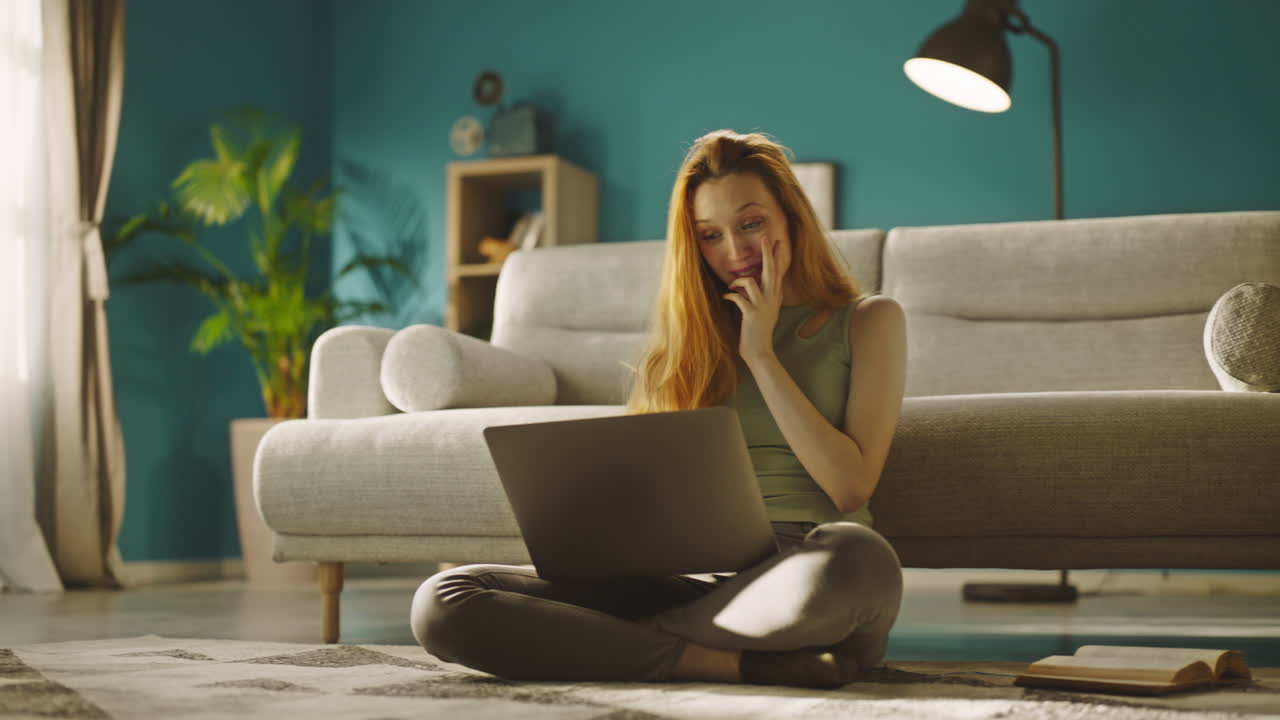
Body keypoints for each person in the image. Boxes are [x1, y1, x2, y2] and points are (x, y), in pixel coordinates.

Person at [410, 129, 908, 688]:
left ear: (791, 217)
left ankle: (626, 642)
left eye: (751, 223)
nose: (736, 252)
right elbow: (641, 504)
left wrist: (762, 355)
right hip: (692, 579)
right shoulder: (683, 350)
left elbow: (850, 486)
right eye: (711, 236)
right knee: (444, 599)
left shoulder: (869, 320)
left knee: (860, 558)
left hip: (805, 570)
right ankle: (725, 663)